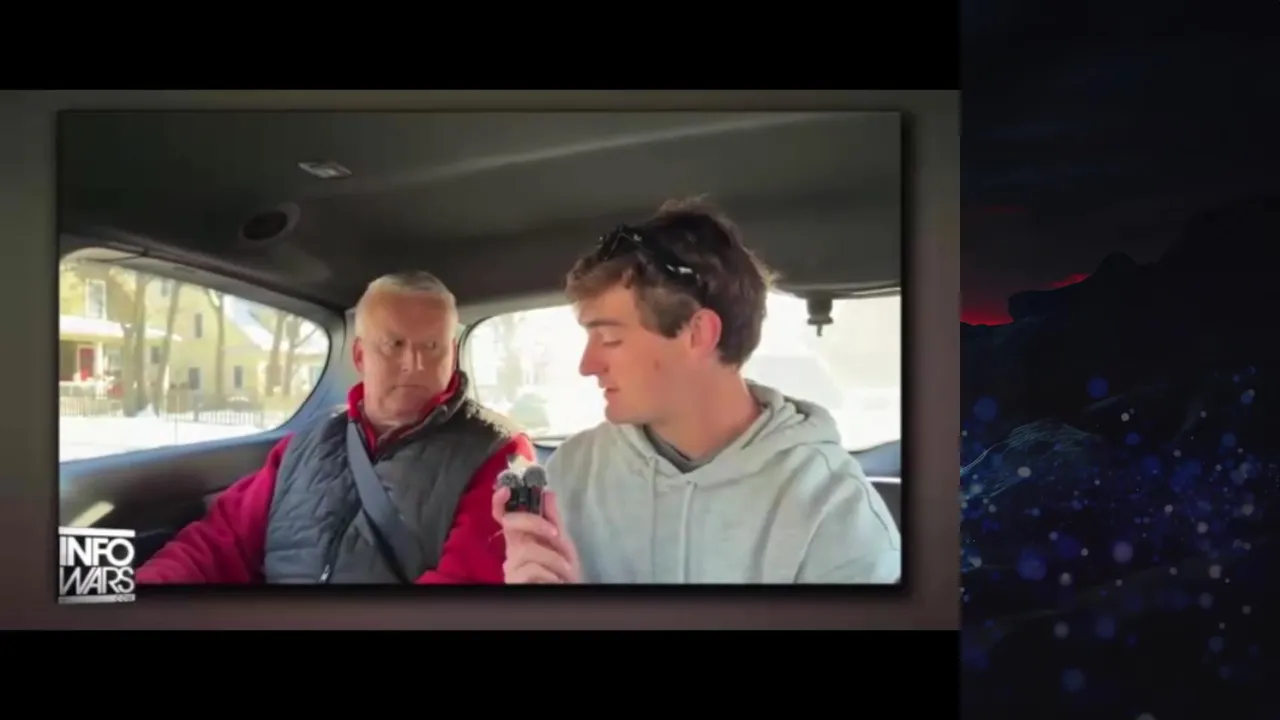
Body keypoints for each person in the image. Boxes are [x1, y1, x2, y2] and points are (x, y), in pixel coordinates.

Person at [494, 198, 901, 584]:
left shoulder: (834, 512)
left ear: (698, 334)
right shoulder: (571, 473)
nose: (587, 365)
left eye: (611, 339)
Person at [137, 271, 533, 584]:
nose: (414, 364)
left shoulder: (499, 453)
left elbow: (466, 590)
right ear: (360, 355)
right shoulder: (304, 445)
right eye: (394, 344)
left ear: (452, 354)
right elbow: (218, 543)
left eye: (432, 347)